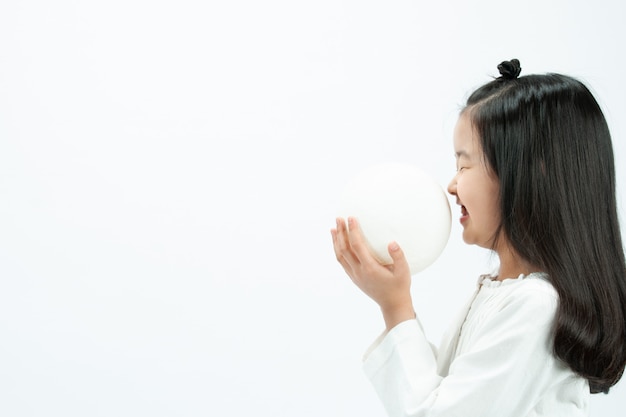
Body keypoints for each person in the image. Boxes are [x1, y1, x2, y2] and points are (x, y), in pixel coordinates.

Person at [331, 59, 626, 417]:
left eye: (464, 165)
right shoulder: (501, 293)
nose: (452, 185)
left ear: (531, 174)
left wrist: (396, 307)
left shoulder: (538, 307)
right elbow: (441, 392)